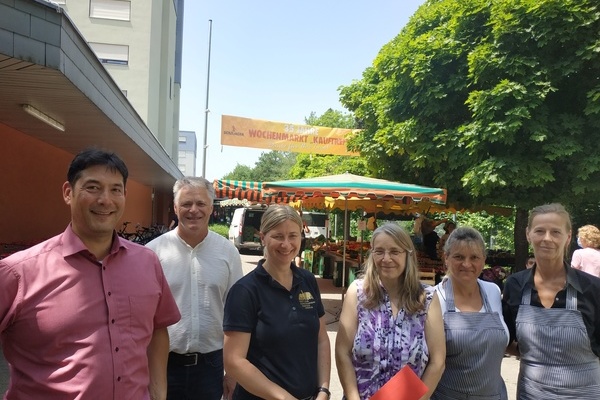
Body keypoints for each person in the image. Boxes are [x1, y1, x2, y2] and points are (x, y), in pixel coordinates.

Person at [0, 148, 181, 399]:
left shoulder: (147, 262)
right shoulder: (18, 273)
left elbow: (158, 329)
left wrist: (158, 394)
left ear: (124, 195)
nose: (105, 200)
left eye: (115, 189)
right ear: (68, 193)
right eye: (93, 187)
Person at [146, 177, 243, 400]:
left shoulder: (228, 253)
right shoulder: (152, 253)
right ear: (175, 208)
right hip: (162, 365)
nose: (193, 210)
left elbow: (237, 315)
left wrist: (233, 372)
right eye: (186, 204)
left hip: (211, 366)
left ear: (211, 207)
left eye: (200, 203)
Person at [223, 205, 331, 400]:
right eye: (278, 236)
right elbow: (234, 361)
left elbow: (321, 339)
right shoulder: (245, 291)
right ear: (263, 237)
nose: (286, 244)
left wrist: (323, 390)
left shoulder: (307, 280)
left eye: (293, 236)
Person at [335, 223, 446, 400]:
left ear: (408, 254)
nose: (386, 258)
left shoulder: (427, 298)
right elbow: (342, 352)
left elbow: (438, 362)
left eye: (394, 251)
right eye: (379, 251)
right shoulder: (357, 293)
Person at [503, 203, 600, 399]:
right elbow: (504, 339)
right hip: (531, 394)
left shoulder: (592, 288)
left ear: (568, 237)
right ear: (528, 234)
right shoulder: (515, 285)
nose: (547, 238)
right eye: (540, 231)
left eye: (556, 232)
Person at [432, 227, 509, 400]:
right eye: (459, 257)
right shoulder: (434, 298)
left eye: (474, 257)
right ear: (446, 258)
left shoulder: (493, 292)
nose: (467, 264)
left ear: (484, 260)